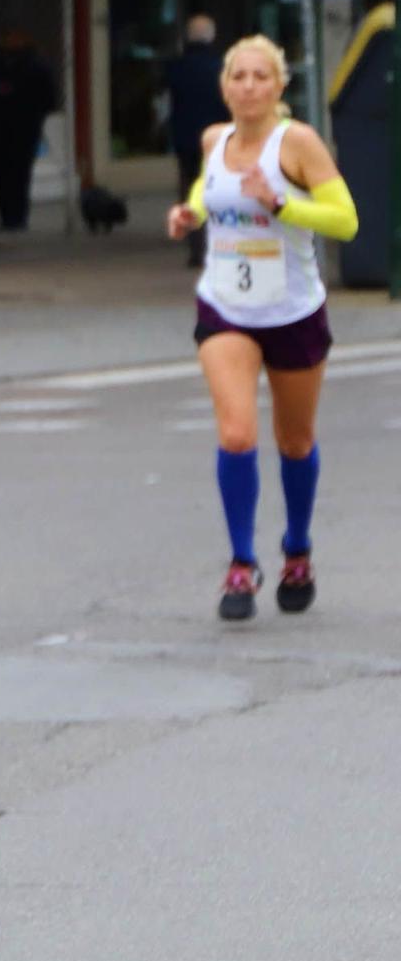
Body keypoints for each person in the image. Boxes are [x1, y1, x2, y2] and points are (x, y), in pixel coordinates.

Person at [166, 35, 358, 621]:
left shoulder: (296, 144)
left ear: (279, 87)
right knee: (237, 434)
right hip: (225, 306)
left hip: (293, 311)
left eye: (260, 77)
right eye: (238, 77)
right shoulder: (213, 140)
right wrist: (192, 211)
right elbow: (209, 187)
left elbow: (345, 221)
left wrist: (282, 205)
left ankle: (297, 550)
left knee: (294, 440)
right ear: (224, 86)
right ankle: (242, 563)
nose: (248, 86)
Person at [0, 31, 56, 232]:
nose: (12, 40)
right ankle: (6, 216)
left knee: (20, 172)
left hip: (24, 126)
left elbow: (48, 97)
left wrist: (35, 115)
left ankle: (18, 217)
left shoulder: (35, 64)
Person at [167, 14, 229, 269]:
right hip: (215, 138)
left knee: (189, 188)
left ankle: (195, 245)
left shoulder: (176, 67)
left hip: (185, 137)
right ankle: (215, 244)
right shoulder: (220, 67)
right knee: (215, 189)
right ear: (211, 37)